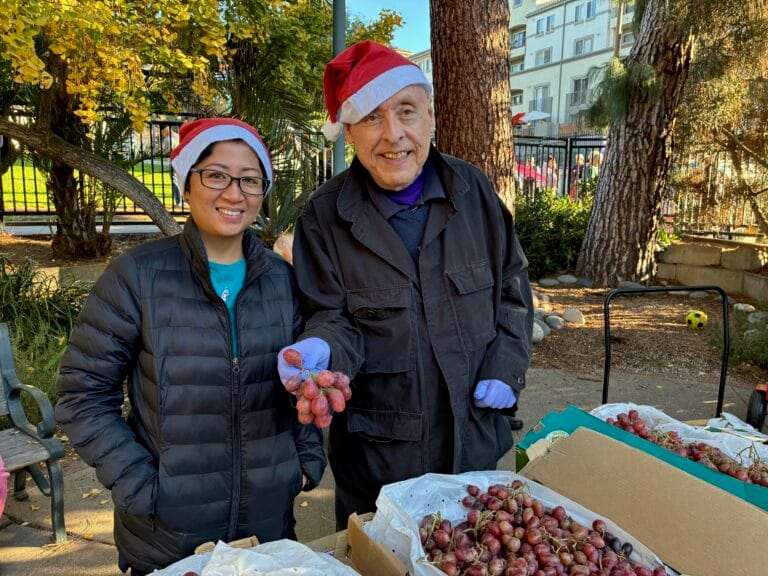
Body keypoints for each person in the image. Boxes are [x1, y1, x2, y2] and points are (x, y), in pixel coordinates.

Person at [277, 41, 534, 528]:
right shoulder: (324, 217)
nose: (393, 134)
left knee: (476, 553)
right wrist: (320, 349)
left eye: (406, 111)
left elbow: (512, 290)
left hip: (474, 447)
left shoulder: (473, 191)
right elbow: (328, 316)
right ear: (349, 132)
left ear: (430, 117)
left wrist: (506, 366)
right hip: (379, 464)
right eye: (372, 117)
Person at [55, 118, 326, 575]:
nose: (233, 192)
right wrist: (144, 488)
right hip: (165, 539)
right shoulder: (136, 277)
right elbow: (81, 397)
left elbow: (306, 384)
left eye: (249, 179)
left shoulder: (284, 281)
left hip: (267, 530)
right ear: (186, 184)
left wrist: (304, 462)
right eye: (216, 174)